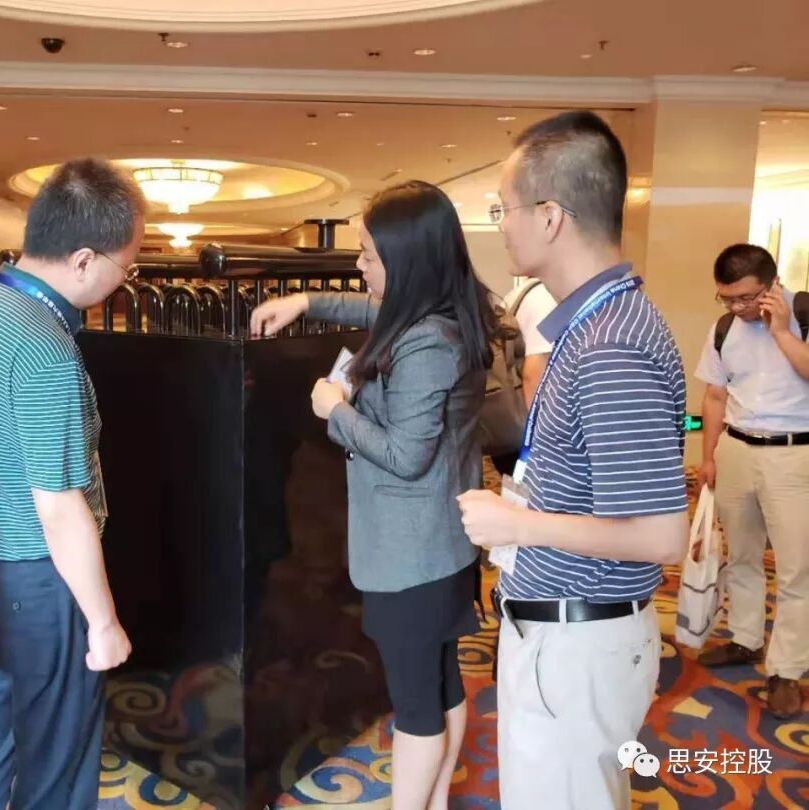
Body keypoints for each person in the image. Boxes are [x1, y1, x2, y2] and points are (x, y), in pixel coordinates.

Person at [456, 111, 689, 810]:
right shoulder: (591, 325)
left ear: (551, 216)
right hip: (565, 631)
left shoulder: (610, 344)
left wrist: (519, 525)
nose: (502, 226)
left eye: (505, 208)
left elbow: (662, 536)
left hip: (578, 642)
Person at [250, 180, 496, 810]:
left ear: (407, 261)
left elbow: (405, 457)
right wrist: (306, 300)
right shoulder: (449, 312)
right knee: (441, 682)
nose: (359, 265)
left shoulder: (426, 344)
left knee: (415, 704)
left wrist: (335, 409)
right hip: (444, 544)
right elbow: (374, 313)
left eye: (368, 254)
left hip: (412, 555)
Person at [0, 158, 144, 809]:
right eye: (126, 268)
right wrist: (103, 623)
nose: (123, 282)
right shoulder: (44, 348)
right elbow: (59, 508)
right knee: (59, 753)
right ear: (84, 259)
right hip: (39, 575)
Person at [694, 243, 808, 719]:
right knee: (740, 554)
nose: (737, 307)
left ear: (772, 284)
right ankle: (745, 638)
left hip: (793, 455)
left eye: (746, 297)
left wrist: (780, 330)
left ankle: (787, 669)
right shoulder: (724, 328)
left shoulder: (802, 314)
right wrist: (709, 457)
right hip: (737, 448)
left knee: (797, 568)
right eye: (727, 298)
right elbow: (715, 396)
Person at [489, 278, 557, 477]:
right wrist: (544, 439)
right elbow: (534, 373)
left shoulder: (518, 294)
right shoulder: (545, 299)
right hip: (526, 433)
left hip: (508, 422)